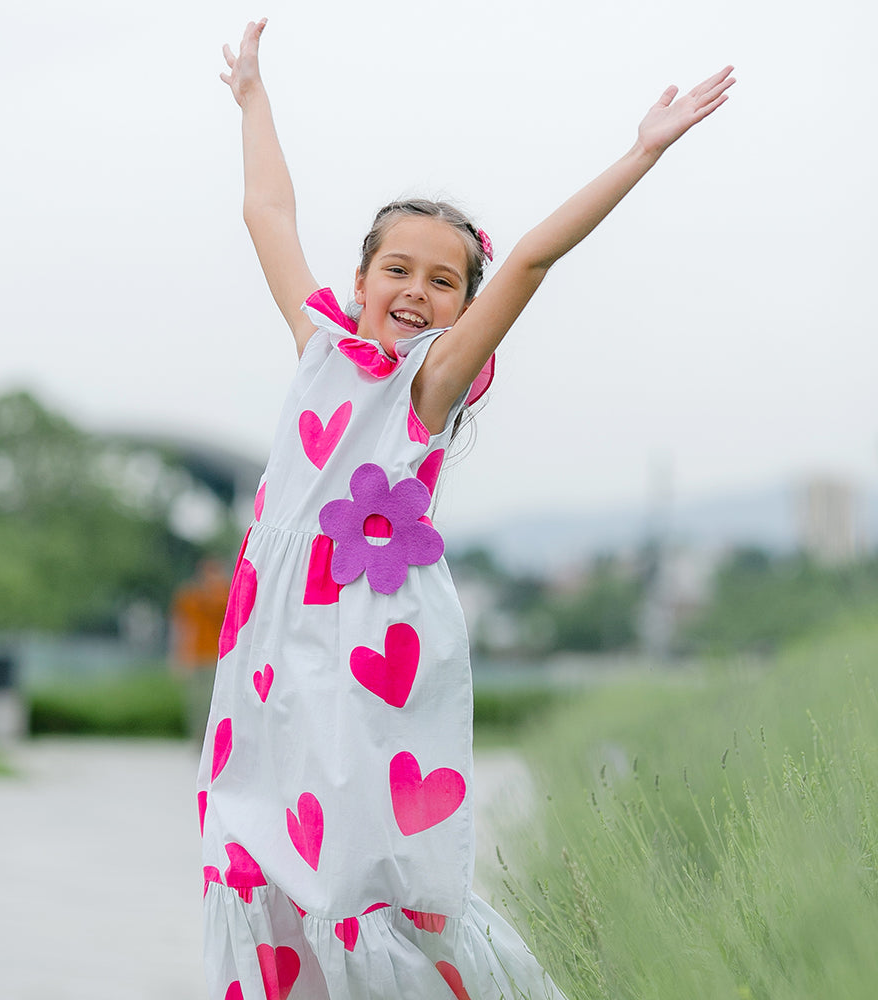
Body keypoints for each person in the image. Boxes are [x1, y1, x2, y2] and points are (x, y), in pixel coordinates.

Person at [198, 17, 734, 1000]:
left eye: (442, 281)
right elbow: (266, 212)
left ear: (460, 313)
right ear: (357, 281)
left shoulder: (425, 388)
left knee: (361, 868)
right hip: (272, 641)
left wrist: (640, 153)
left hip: (367, 641)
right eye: (396, 269)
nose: (414, 290)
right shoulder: (319, 344)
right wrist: (252, 97)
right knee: (254, 842)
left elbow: (528, 259)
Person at [170, 558, 231, 743]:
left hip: (221, 657)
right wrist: (179, 654)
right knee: (197, 703)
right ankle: (198, 740)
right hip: (197, 656)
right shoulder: (190, 595)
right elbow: (182, 626)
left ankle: (215, 739)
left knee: (219, 701)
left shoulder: (225, 593)